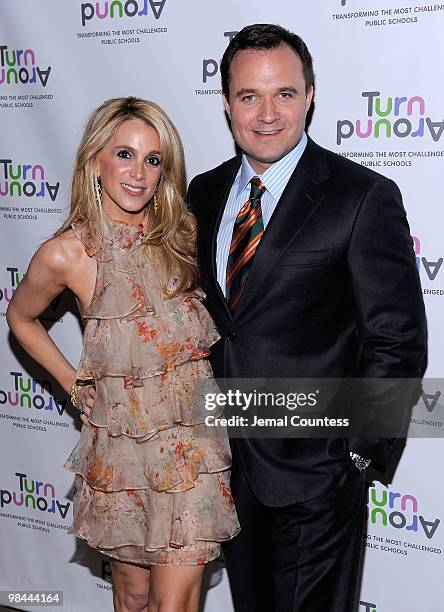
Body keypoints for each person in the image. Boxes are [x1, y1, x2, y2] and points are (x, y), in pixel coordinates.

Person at [187, 24, 427, 612]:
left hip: (318, 475)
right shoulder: (204, 192)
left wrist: (357, 456)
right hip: (223, 466)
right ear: (225, 103)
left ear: (310, 96)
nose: (267, 113)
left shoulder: (362, 196)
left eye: (284, 94)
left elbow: (396, 339)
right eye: (249, 96)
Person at [6, 97, 239, 612]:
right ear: (96, 161)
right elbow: (20, 318)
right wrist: (73, 382)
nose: (139, 173)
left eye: (153, 159)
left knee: (174, 606)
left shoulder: (182, 234)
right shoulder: (66, 253)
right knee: (132, 596)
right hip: (121, 450)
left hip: (191, 451)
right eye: (126, 154)